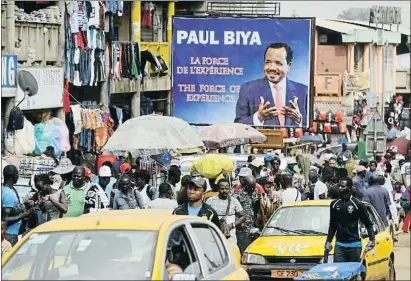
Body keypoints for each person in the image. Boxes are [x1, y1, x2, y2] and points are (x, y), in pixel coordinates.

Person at [234, 43, 308, 127]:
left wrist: (299, 119)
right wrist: (258, 118)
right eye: (268, 62)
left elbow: (313, 126)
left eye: (278, 63)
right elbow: (238, 125)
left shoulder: (304, 91)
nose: (272, 67)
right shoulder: (247, 89)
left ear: (288, 66)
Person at [325, 177, 375, 263]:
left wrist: (372, 239)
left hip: (354, 245)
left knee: (352, 273)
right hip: (339, 245)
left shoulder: (358, 204)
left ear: (349, 188)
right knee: (339, 272)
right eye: (339, 186)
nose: (340, 188)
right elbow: (332, 225)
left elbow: (368, 224)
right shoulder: (334, 204)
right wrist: (328, 241)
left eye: (343, 186)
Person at [206, 179, 245, 243]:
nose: (224, 191)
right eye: (222, 188)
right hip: (214, 235)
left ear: (229, 189)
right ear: (218, 189)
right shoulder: (210, 201)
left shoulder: (234, 201)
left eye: (226, 189)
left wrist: (232, 225)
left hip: (230, 237)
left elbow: (243, 216)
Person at [2, 165, 30, 246]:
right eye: (17, 174)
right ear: (12, 176)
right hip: (9, 234)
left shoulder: (7, 189)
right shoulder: (9, 194)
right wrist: (22, 215)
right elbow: (4, 219)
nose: (18, 176)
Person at [233, 175, 261, 254]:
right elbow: (234, 211)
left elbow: (257, 205)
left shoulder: (255, 192)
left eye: (254, 187)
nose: (253, 189)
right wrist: (238, 222)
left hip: (252, 224)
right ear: (246, 185)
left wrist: (257, 216)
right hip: (242, 226)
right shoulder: (237, 195)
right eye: (251, 187)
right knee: (244, 248)